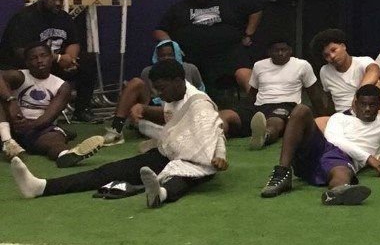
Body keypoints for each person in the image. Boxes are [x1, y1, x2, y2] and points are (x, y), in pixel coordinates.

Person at [8, 59, 228, 209]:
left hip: (200, 161)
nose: (160, 94)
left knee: (182, 179)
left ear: (179, 82)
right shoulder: (175, 95)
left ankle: (160, 194)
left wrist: (220, 155)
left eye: (162, 89)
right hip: (169, 153)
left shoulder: (199, 103)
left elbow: (215, 130)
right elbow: (173, 119)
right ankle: (42, 187)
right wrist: (145, 112)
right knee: (108, 171)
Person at [258, 83, 380, 205]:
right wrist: (369, 158)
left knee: (342, 172)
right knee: (301, 110)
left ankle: (337, 193)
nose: (367, 109)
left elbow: (379, 151)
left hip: (345, 161)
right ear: (355, 104)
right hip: (323, 150)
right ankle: (282, 174)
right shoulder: (339, 118)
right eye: (363, 104)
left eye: (372, 105)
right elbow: (334, 140)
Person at [155, 0, 261, 94]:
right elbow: (159, 30)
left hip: (229, 51)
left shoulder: (227, 1)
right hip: (194, 54)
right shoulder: (180, 7)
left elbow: (256, 11)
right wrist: (172, 46)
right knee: (184, 72)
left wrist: (249, 34)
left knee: (244, 73)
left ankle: (254, 101)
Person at [1, 42, 103, 166]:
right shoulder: (19, 76)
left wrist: (27, 126)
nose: (39, 60)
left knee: (54, 139)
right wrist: (11, 101)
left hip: (36, 128)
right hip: (8, 125)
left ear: (51, 58)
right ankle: (6, 139)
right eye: (33, 58)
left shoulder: (62, 86)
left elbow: (48, 118)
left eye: (43, 56)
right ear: (27, 63)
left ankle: (65, 155)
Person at [2, 0, 95, 113]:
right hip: (28, 65)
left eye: (60, 0)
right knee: (36, 61)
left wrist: (70, 59)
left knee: (88, 62)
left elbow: (73, 42)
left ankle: (82, 110)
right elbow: (21, 51)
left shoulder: (64, 17)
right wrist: (58, 58)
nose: (57, 3)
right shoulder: (24, 18)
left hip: (54, 64)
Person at [103, 39, 206, 144]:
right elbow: (147, 97)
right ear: (156, 57)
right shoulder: (148, 71)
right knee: (135, 83)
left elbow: (201, 94)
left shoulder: (190, 69)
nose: (166, 58)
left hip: (182, 111)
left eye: (170, 55)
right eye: (162, 56)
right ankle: (116, 128)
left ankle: (165, 132)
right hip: (155, 108)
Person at [245, 38, 325, 149]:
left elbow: (314, 94)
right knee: (229, 115)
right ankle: (220, 132)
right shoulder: (259, 65)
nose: (280, 53)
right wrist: (246, 110)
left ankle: (264, 136)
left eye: (283, 50)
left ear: (290, 51)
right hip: (259, 106)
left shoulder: (302, 65)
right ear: (269, 52)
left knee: (275, 122)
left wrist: (323, 116)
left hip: (286, 105)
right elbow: (252, 92)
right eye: (276, 50)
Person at [311, 30, 380, 115]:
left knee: (378, 85)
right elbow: (330, 99)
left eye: (333, 50)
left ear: (343, 46)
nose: (332, 56)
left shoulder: (363, 61)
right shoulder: (324, 71)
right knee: (316, 120)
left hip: (364, 114)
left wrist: (359, 95)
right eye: (326, 55)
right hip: (342, 117)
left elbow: (374, 70)